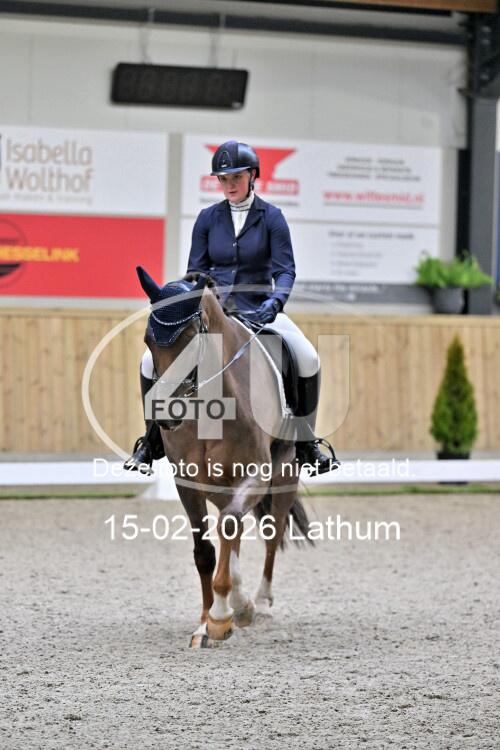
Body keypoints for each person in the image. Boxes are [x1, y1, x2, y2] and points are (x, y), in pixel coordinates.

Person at [124, 140, 339, 476]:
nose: (230, 185)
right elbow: (195, 272)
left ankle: (306, 442)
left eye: (236, 177)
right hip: (215, 312)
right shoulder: (208, 219)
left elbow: (285, 270)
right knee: (149, 361)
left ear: (252, 176)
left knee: (307, 356)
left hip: (260, 310)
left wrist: (275, 303)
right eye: (223, 179)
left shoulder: (272, 218)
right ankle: (151, 441)